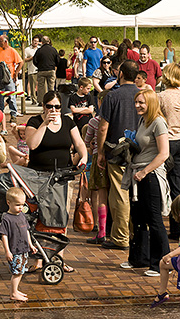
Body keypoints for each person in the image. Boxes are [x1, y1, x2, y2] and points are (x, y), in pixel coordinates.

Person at [25, 90, 87, 271]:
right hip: (39, 177)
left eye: (57, 106)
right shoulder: (35, 122)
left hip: (62, 177)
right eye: (49, 106)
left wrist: (83, 156)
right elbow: (33, 144)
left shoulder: (67, 121)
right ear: (43, 107)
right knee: (39, 218)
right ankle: (38, 258)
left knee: (61, 217)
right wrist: (45, 123)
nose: (53, 109)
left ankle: (58, 258)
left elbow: (80, 143)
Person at [120, 89, 170, 277]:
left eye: (141, 103)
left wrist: (144, 171)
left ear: (151, 103)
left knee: (154, 220)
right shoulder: (143, 120)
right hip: (138, 174)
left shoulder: (158, 122)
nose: (137, 106)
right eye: (136, 102)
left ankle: (161, 263)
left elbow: (164, 153)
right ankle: (138, 258)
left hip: (151, 176)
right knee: (138, 218)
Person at [97, 60, 140, 250]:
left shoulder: (113, 96)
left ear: (121, 74)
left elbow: (103, 126)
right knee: (135, 194)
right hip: (139, 151)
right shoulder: (143, 95)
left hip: (117, 151)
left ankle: (121, 236)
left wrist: (99, 152)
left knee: (120, 194)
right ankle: (133, 232)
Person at [158, 63, 180, 240]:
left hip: (164, 141)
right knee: (176, 184)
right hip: (179, 141)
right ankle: (177, 226)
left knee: (159, 182)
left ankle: (157, 223)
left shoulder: (161, 96)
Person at [0, 187, 37, 302]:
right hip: (15, 250)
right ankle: (13, 293)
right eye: (18, 205)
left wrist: (31, 245)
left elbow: (26, 231)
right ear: (8, 203)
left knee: (21, 271)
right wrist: (7, 251)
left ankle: (15, 290)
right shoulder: (7, 218)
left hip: (23, 249)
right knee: (17, 273)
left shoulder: (21, 216)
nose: (21, 207)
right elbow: (4, 235)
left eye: (22, 205)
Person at [84, 90, 110, 245]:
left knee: (99, 195)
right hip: (113, 159)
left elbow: (87, 140)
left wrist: (92, 144)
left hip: (97, 158)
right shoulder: (115, 120)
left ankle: (100, 229)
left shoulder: (95, 121)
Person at [0, 34, 22, 116]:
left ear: (5, 41)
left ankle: (13, 114)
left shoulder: (12, 51)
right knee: (0, 96)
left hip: (9, 77)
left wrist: (16, 73)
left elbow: (21, 62)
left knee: (12, 96)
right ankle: (0, 113)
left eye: (1, 41)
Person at [33, 35, 58, 103]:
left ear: (42, 42)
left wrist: (39, 66)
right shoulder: (53, 50)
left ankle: (41, 101)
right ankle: (51, 100)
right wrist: (54, 65)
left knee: (41, 87)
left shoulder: (39, 50)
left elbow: (34, 60)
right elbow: (57, 60)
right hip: (51, 69)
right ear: (49, 41)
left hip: (41, 70)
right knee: (51, 87)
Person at [23, 35, 40, 103]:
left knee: (40, 85)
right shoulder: (27, 49)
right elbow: (24, 59)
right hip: (31, 69)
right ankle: (34, 99)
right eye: (35, 41)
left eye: (37, 41)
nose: (36, 43)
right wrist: (32, 58)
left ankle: (40, 99)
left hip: (39, 69)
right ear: (32, 41)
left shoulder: (39, 49)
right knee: (32, 85)